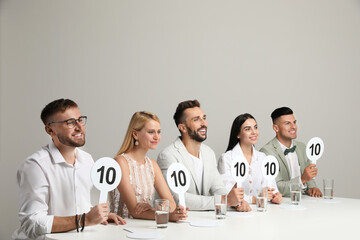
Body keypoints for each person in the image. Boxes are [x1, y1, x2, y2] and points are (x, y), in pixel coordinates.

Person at [13, 99, 126, 240]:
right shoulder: (35, 165)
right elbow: (31, 223)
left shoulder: (87, 160)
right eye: (70, 122)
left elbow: (80, 206)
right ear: (50, 130)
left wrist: (96, 216)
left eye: (80, 120)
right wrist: (84, 220)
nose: (79, 127)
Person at [157, 100, 244, 210]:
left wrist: (236, 201)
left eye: (204, 118)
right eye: (196, 119)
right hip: (179, 223)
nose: (204, 123)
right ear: (182, 128)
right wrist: (224, 201)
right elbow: (177, 198)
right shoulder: (168, 156)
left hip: (205, 221)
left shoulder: (209, 153)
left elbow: (218, 188)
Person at [109, 111, 188, 221]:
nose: (157, 137)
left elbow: (172, 205)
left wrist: (154, 208)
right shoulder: (121, 162)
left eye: (159, 132)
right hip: (120, 227)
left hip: (144, 227)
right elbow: (134, 211)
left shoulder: (152, 165)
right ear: (135, 134)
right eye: (151, 132)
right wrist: (167, 215)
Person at [218, 114, 283, 212]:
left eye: (255, 127)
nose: (254, 132)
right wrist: (255, 199)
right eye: (247, 129)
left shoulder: (263, 158)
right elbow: (228, 193)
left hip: (261, 213)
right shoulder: (226, 158)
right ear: (238, 134)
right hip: (235, 215)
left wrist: (276, 196)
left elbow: (271, 188)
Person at [260, 107, 322, 197]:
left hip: (304, 201)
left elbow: (309, 178)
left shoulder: (302, 147)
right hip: (282, 203)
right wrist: (301, 179)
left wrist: (313, 188)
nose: (293, 127)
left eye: (294, 122)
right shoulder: (266, 152)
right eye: (287, 123)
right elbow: (276, 186)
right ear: (276, 128)